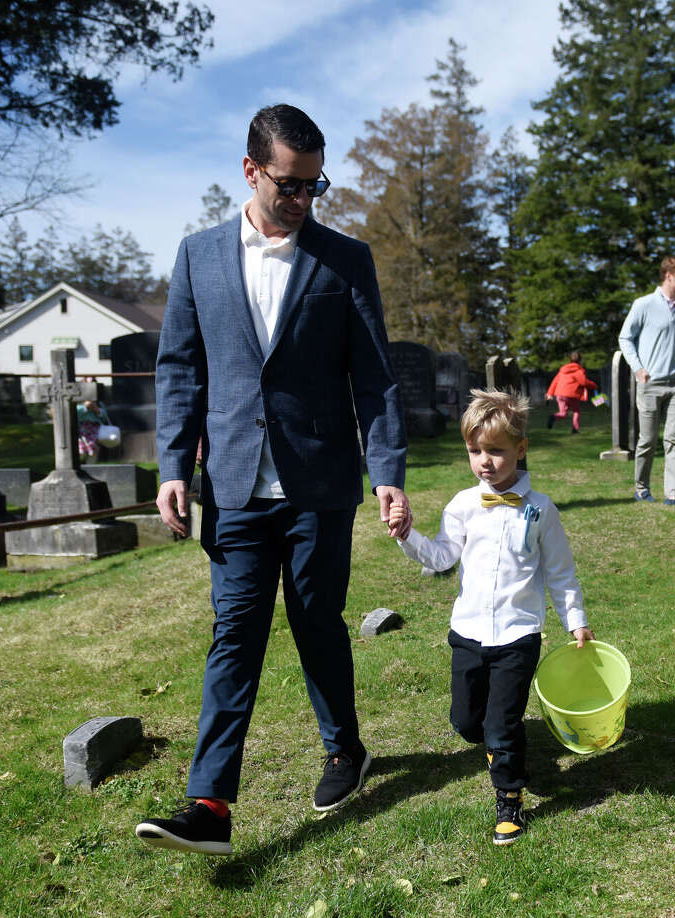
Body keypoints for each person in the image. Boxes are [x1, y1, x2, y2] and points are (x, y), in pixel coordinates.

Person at [135, 104, 411, 856]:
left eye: (314, 188)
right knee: (235, 636)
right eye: (289, 186)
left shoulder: (344, 260)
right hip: (230, 487)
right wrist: (172, 465)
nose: (302, 202)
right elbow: (180, 370)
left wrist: (386, 470)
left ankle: (344, 750)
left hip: (317, 487)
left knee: (318, 624)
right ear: (251, 171)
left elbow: (375, 380)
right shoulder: (198, 256)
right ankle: (210, 806)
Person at [386, 389, 593, 845]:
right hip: (468, 633)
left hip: (519, 636)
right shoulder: (462, 504)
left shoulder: (541, 511)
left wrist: (575, 618)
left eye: (495, 451)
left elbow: (560, 573)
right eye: (475, 451)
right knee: (466, 723)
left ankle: (509, 798)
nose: (484, 461)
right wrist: (406, 536)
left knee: (502, 725)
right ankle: (496, 748)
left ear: (520, 449)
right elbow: (441, 558)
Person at [618, 256, 675, 506]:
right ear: (668, 275)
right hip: (649, 385)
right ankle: (641, 488)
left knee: (674, 440)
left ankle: (673, 494)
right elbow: (625, 338)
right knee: (648, 440)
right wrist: (638, 368)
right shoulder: (644, 305)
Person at [544, 351, 599, 433]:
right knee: (576, 411)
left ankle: (553, 417)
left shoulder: (562, 370)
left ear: (570, 360)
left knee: (563, 413)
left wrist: (549, 394)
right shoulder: (578, 370)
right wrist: (594, 385)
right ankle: (575, 429)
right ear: (580, 360)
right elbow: (583, 382)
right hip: (571, 394)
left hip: (559, 394)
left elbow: (554, 382)